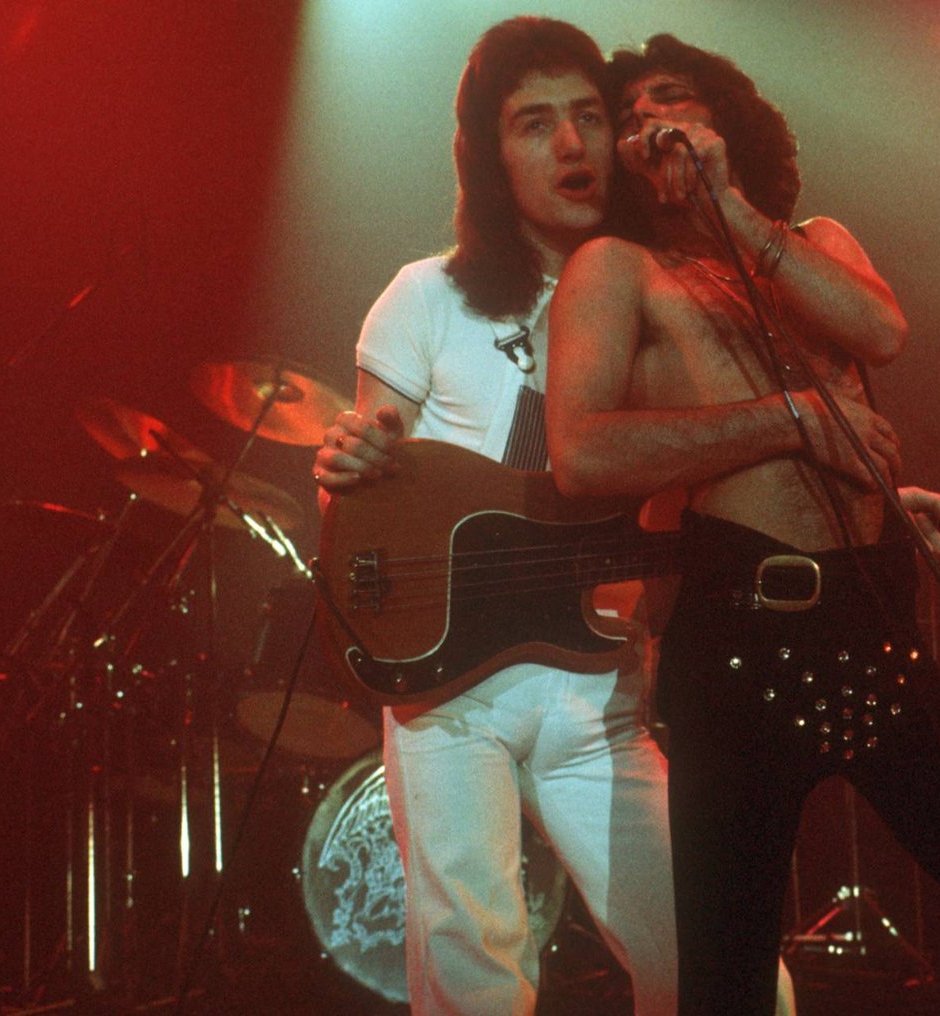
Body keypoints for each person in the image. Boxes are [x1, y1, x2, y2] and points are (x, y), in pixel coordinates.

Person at [546, 34, 940, 1016]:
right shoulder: (618, 267)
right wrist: (792, 421)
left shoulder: (812, 239)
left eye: (671, 100)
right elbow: (583, 454)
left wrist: (730, 208)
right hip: (738, 648)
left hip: (872, 627)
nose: (649, 125)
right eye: (629, 115)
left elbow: (881, 333)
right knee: (725, 985)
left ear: (725, 119)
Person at [311, 18, 683, 1015]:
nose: (569, 145)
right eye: (533, 123)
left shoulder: (664, 298)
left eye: (587, 117)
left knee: (710, 957)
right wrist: (349, 467)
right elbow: (364, 495)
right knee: (471, 964)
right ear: (487, 153)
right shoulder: (423, 297)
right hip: (449, 693)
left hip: (599, 689)